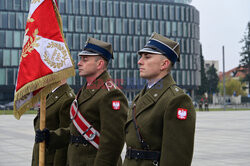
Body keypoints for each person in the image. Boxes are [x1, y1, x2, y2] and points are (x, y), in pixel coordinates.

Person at [123, 32, 196, 166]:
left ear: (164, 64)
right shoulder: (141, 96)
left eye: (147, 57)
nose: (140, 61)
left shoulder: (176, 100)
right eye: (141, 57)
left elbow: (177, 158)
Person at [32, 79, 75, 166]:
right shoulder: (50, 94)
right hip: (41, 156)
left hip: (50, 160)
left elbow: (63, 140)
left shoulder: (67, 98)